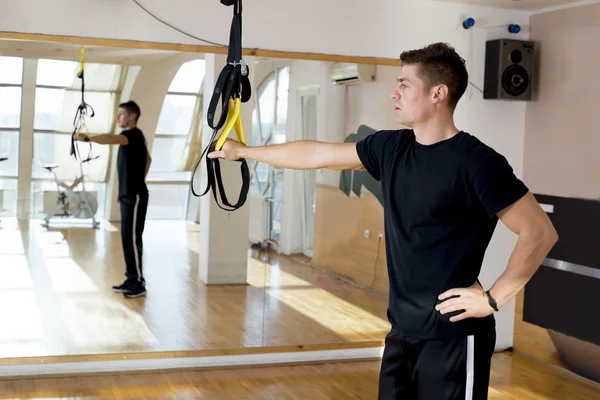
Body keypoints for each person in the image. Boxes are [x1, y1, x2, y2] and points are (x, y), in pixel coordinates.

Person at [208, 42, 558, 399]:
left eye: (405, 84)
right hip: (401, 332)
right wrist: (243, 151)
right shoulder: (391, 148)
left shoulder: (477, 163)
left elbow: (539, 231)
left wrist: (494, 299)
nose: (395, 92)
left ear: (439, 93)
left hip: (452, 336)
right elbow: (317, 153)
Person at [77, 100, 151, 299]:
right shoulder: (135, 138)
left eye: (121, 114)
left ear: (132, 116)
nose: (118, 118)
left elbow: (110, 138)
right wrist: (138, 180)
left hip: (134, 196)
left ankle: (138, 284)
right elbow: (148, 159)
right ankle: (131, 278)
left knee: (133, 239)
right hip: (129, 194)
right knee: (127, 239)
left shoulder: (131, 135)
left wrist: (87, 138)